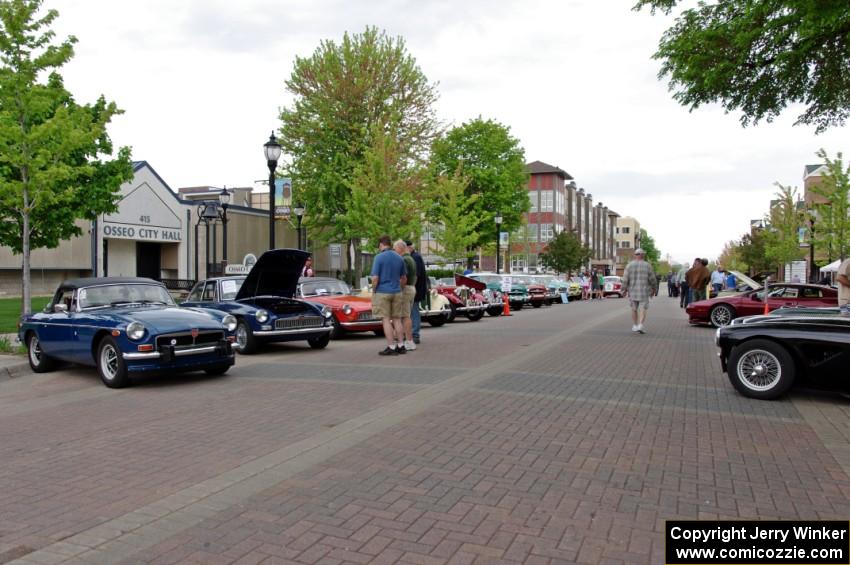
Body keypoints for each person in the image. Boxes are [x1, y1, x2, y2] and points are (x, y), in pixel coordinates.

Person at [370, 235, 407, 355]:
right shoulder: (399, 258)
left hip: (382, 292)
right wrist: (399, 289)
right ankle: (401, 345)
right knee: (397, 319)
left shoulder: (379, 258)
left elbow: (375, 278)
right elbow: (404, 278)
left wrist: (374, 290)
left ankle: (391, 347)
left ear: (381, 244)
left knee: (386, 319)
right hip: (397, 291)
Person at [622, 248, 657, 333]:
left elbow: (625, 279)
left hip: (633, 291)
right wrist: (654, 288)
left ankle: (635, 325)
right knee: (643, 308)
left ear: (635, 255)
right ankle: (640, 324)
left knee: (634, 309)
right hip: (644, 291)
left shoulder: (629, 265)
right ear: (642, 255)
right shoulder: (647, 265)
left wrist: (624, 290)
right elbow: (652, 278)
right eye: (643, 254)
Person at [394, 240, 417, 351]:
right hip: (411, 287)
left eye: (395, 249)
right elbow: (415, 276)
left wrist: (399, 289)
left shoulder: (404, 260)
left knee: (405, 316)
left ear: (400, 248)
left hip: (406, 289)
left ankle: (409, 341)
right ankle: (407, 340)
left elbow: (403, 278)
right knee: (406, 315)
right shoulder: (411, 258)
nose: (394, 251)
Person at [407, 240, 427, 345]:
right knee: (413, 311)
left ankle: (415, 334)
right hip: (417, 289)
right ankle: (413, 333)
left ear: (409, 248)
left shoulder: (415, 258)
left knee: (414, 312)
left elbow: (416, 275)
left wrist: (411, 288)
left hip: (416, 290)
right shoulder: (416, 256)